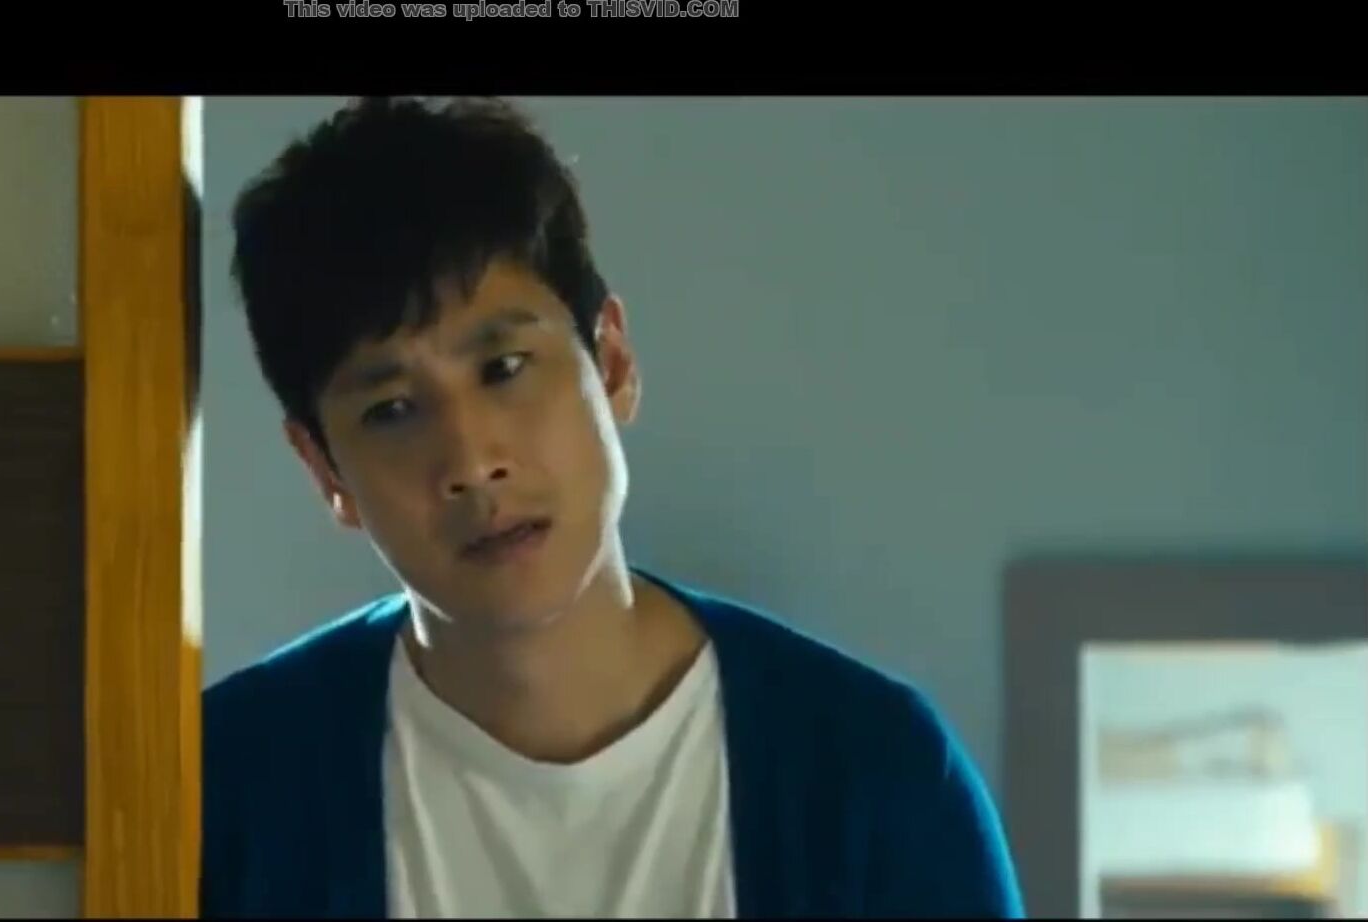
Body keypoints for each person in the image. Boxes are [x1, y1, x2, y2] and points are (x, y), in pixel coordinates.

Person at [201, 96, 1025, 919]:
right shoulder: (225, 789)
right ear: (325, 469)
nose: (472, 463)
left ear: (614, 362)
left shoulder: (875, 780)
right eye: (390, 411)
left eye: (505, 368)